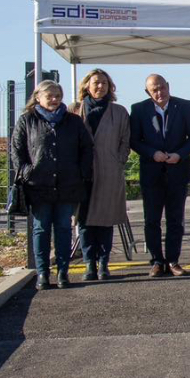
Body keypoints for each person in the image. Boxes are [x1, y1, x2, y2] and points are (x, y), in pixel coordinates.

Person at [10, 80, 93, 289]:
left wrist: (81, 172)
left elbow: (86, 148)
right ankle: (43, 273)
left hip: (68, 185)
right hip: (38, 185)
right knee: (41, 229)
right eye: (50, 96)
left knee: (64, 228)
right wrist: (27, 172)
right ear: (38, 97)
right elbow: (17, 151)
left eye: (58, 95)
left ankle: (63, 273)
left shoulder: (73, 121)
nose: (55, 100)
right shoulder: (27, 121)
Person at [129, 74, 190, 277]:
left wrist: (180, 154)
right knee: (151, 220)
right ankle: (157, 261)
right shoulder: (138, 109)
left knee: (175, 219)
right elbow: (134, 140)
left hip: (177, 171)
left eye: (162, 87)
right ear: (148, 92)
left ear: (168, 86)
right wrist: (152, 153)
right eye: (154, 89)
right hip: (152, 173)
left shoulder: (184, 105)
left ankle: (173, 260)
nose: (159, 92)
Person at [72, 68, 130, 280]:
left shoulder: (119, 112)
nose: (100, 87)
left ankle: (104, 263)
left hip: (109, 172)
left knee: (106, 220)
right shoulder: (75, 111)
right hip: (82, 174)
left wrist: (118, 161)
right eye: (96, 82)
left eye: (104, 83)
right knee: (85, 221)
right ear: (86, 85)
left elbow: (126, 141)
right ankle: (89, 264)